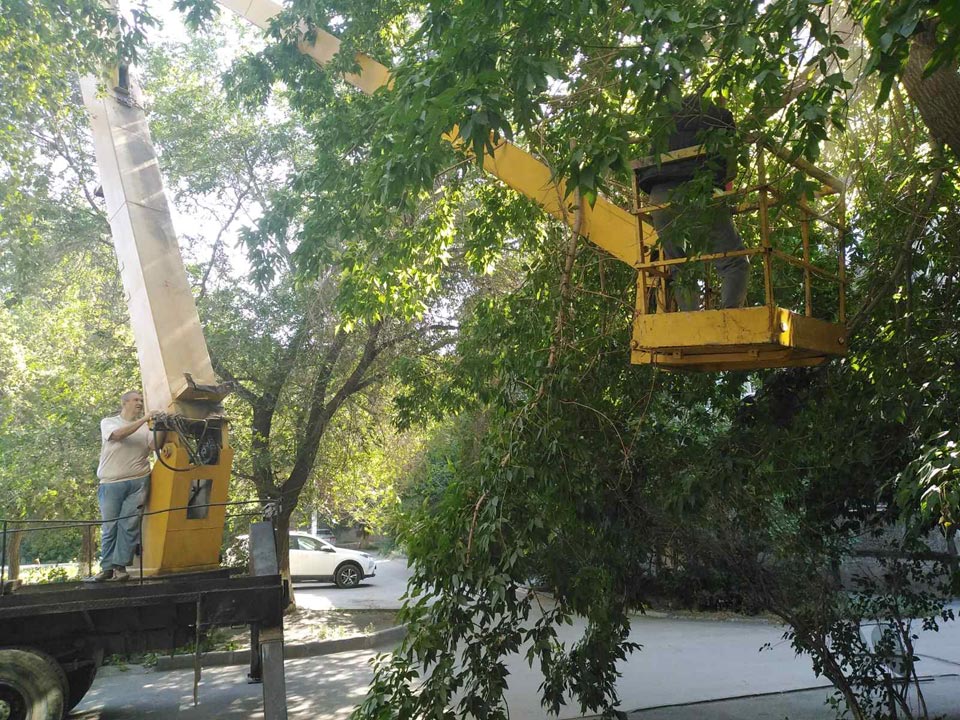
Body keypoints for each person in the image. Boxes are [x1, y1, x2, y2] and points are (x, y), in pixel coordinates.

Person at [636, 95, 749, 310]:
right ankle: (730, 318)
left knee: (680, 266)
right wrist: (726, 199)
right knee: (735, 262)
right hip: (699, 191)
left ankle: (693, 320)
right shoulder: (721, 117)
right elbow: (730, 167)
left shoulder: (663, 121)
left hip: (659, 198)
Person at [85, 390, 165, 582]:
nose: (139, 402)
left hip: (138, 481)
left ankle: (120, 568)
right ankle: (106, 569)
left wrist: (161, 426)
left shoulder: (146, 428)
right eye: (136, 400)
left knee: (128, 525)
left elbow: (155, 446)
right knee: (110, 525)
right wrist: (145, 418)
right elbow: (118, 435)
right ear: (125, 402)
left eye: (141, 400)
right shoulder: (109, 422)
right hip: (111, 483)